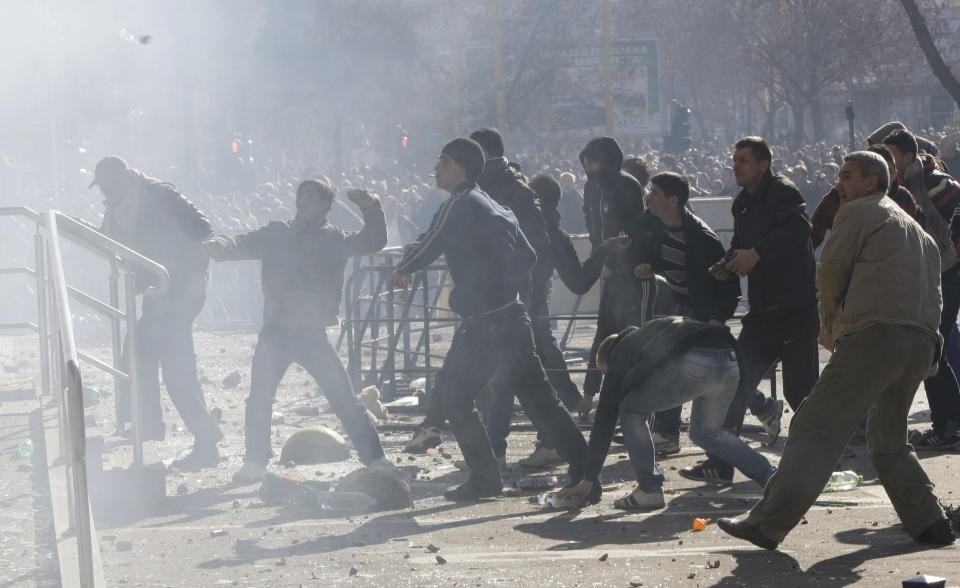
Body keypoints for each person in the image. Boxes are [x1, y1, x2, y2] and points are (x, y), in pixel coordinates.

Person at [718, 151, 956, 549]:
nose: (839, 185)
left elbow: (830, 270)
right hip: (918, 343)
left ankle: (767, 523)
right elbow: (937, 296)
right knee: (888, 441)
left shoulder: (859, 213)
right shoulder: (920, 232)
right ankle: (930, 522)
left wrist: (828, 327)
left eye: (847, 176)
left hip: (875, 338)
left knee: (814, 425)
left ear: (872, 183)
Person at [392, 138, 591, 501]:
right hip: (510, 317)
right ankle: (585, 473)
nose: (437, 168)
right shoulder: (494, 205)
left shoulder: (462, 203)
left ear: (463, 168)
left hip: (487, 323)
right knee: (541, 400)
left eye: (444, 161)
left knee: (455, 398)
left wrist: (403, 267)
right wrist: (504, 289)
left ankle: (485, 478)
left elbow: (430, 242)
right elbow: (529, 256)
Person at [203, 180, 392, 482]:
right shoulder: (278, 234)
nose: (303, 201)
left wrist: (370, 207)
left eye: (311, 196)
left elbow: (373, 240)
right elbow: (243, 243)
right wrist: (221, 246)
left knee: (343, 397)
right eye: (300, 196)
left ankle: (375, 457)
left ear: (326, 205)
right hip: (276, 331)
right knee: (259, 398)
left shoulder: (334, 240)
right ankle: (255, 462)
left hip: (311, 334)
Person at [691, 137, 819, 485]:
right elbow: (740, 246)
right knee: (735, 386)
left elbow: (799, 229)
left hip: (795, 311)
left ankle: (821, 455)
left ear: (763, 165)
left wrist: (757, 253)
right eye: (734, 160)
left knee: (800, 391)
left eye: (743, 160)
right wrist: (728, 262)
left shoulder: (783, 192)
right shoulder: (741, 203)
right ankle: (720, 464)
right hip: (762, 314)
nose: (736, 166)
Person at [558, 318, 776, 510]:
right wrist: (733, 415)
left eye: (607, 374)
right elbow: (738, 370)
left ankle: (649, 489)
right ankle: (771, 476)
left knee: (630, 408)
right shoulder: (651, 333)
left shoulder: (622, 350)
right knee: (706, 434)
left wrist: (588, 479)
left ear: (608, 360)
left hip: (693, 361)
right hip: (729, 358)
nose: (612, 380)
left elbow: (605, 416)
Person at [90, 155, 222, 469]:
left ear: (124, 175)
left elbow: (202, 228)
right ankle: (150, 425)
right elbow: (112, 241)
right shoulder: (117, 207)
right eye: (102, 187)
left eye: (109, 184)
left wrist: (195, 272)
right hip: (158, 290)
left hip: (180, 287)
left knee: (176, 368)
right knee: (138, 349)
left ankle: (205, 441)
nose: (105, 193)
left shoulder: (159, 194)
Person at [630, 172, 742, 455]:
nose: (649, 198)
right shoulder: (650, 222)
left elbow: (729, 285)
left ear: (673, 200)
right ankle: (668, 433)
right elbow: (642, 249)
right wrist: (644, 265)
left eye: (654, 193)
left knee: (701, 371)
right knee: (673, 364)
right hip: (677, 304)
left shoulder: (703, 239)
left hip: (702, 310)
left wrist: (716, 320)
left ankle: (760, 406)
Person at [884, 129, 960, 449]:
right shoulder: (898, 187)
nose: (887, 162)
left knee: (932, 350)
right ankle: (948, 424)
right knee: (931, 350)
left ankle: (948, 426)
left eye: (891, 155)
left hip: (948, 273)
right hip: (929, 275)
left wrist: (954, 249)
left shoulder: (930, 181)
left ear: (908, 156)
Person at [578, 137, 655, 417]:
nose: (588, 165)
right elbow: (592, 224)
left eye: (594, 159)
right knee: (604, 332)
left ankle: (638, 408)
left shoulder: (626, 185)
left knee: (633, 335)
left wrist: (618, 259)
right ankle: (590, 394)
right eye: (585, 159)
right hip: (609, 270)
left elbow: (635, 228)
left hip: (631, 272)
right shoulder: (590, 187)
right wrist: (601, 257)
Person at [810, 144, 923, 249]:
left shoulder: (903, 198)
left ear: (894, 174)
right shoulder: (839, 195)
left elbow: (920, 238)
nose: (884, 177)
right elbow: (811, 237)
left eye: (888, 171)